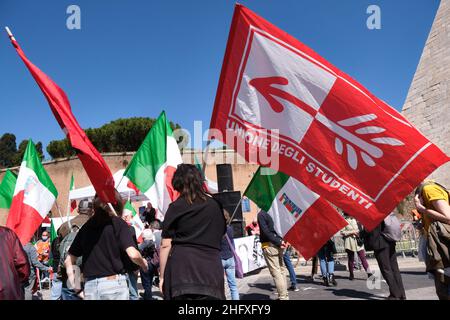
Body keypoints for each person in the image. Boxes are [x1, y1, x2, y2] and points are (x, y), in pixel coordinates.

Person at [159, 164, 226, 300]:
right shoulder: (215, 205)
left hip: (181, 273)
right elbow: (221, 234)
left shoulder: (175, 207)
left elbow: (166, 244)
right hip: (211, 272)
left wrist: (162, 276)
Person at [65, 191, 148, 300]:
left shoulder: (86, 227)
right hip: (113, 284)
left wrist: (77, 288)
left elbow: (69, 261)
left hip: (90, 286)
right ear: (117, 203)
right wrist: (143, 263)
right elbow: (133, 254)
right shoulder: (118, 223)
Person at [414, 181, 450, 300]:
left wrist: (422, 209)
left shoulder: (429, 189)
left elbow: (448, 217)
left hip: (442, 246)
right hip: (439, 244)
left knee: (444, 285)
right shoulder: (423, 191)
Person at [363, 216, 406, 300]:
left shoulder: (372, 215)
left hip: (380, 244)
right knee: (395, 269)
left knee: (386, 269)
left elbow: (371, 231)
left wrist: (363, 231)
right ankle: (402, 294)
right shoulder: (383, 212)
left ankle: (395, 294)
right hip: (390, 241)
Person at [258, 209, 289, 300]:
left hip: (270, 245)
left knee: (276, 273)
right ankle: (285, 295)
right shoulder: (276, 211)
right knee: (281, 270)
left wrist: (279, 242)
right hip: (279, 244)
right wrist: (282, 241)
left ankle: (283, 297)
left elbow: (265, 232)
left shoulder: (262, 214)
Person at [0, 226, 30, 300]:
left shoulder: (8, 234)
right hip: (8, 290)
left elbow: (22, 263)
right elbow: (22, 264)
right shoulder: (7, 233)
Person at [341, 213, 373, 280]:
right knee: (351, 259)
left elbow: (361, 229)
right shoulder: (344, 220)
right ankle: (351, 274)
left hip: (358, 241)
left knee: (363, 257)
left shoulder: (357, 219)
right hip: (349, 241)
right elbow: (342, 232)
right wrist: (351, 232)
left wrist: (359, 233)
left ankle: (369, 273)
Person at [121, 209, 140, 300]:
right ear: (125, 217)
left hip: (121, 265)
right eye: (131, 216)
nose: (132, 218)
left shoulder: (117, 228)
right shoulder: (130, 229)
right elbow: (134, 247)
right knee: (133, 293)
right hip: (129, 264)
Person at [220, 211, 240, 300]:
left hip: (219, 258)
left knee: (220, 287)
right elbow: (232, 244)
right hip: (230, 258)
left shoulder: (216, 231)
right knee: (233, 286)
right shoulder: (230, 229)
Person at [139, 228, 158, 300]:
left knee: (146, 282)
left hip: (146, 263)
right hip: (152, 263)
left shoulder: (146, 242)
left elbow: (139, 249)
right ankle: (147, 295)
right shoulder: (152, 242)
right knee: (149, 281)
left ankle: (148, 297)